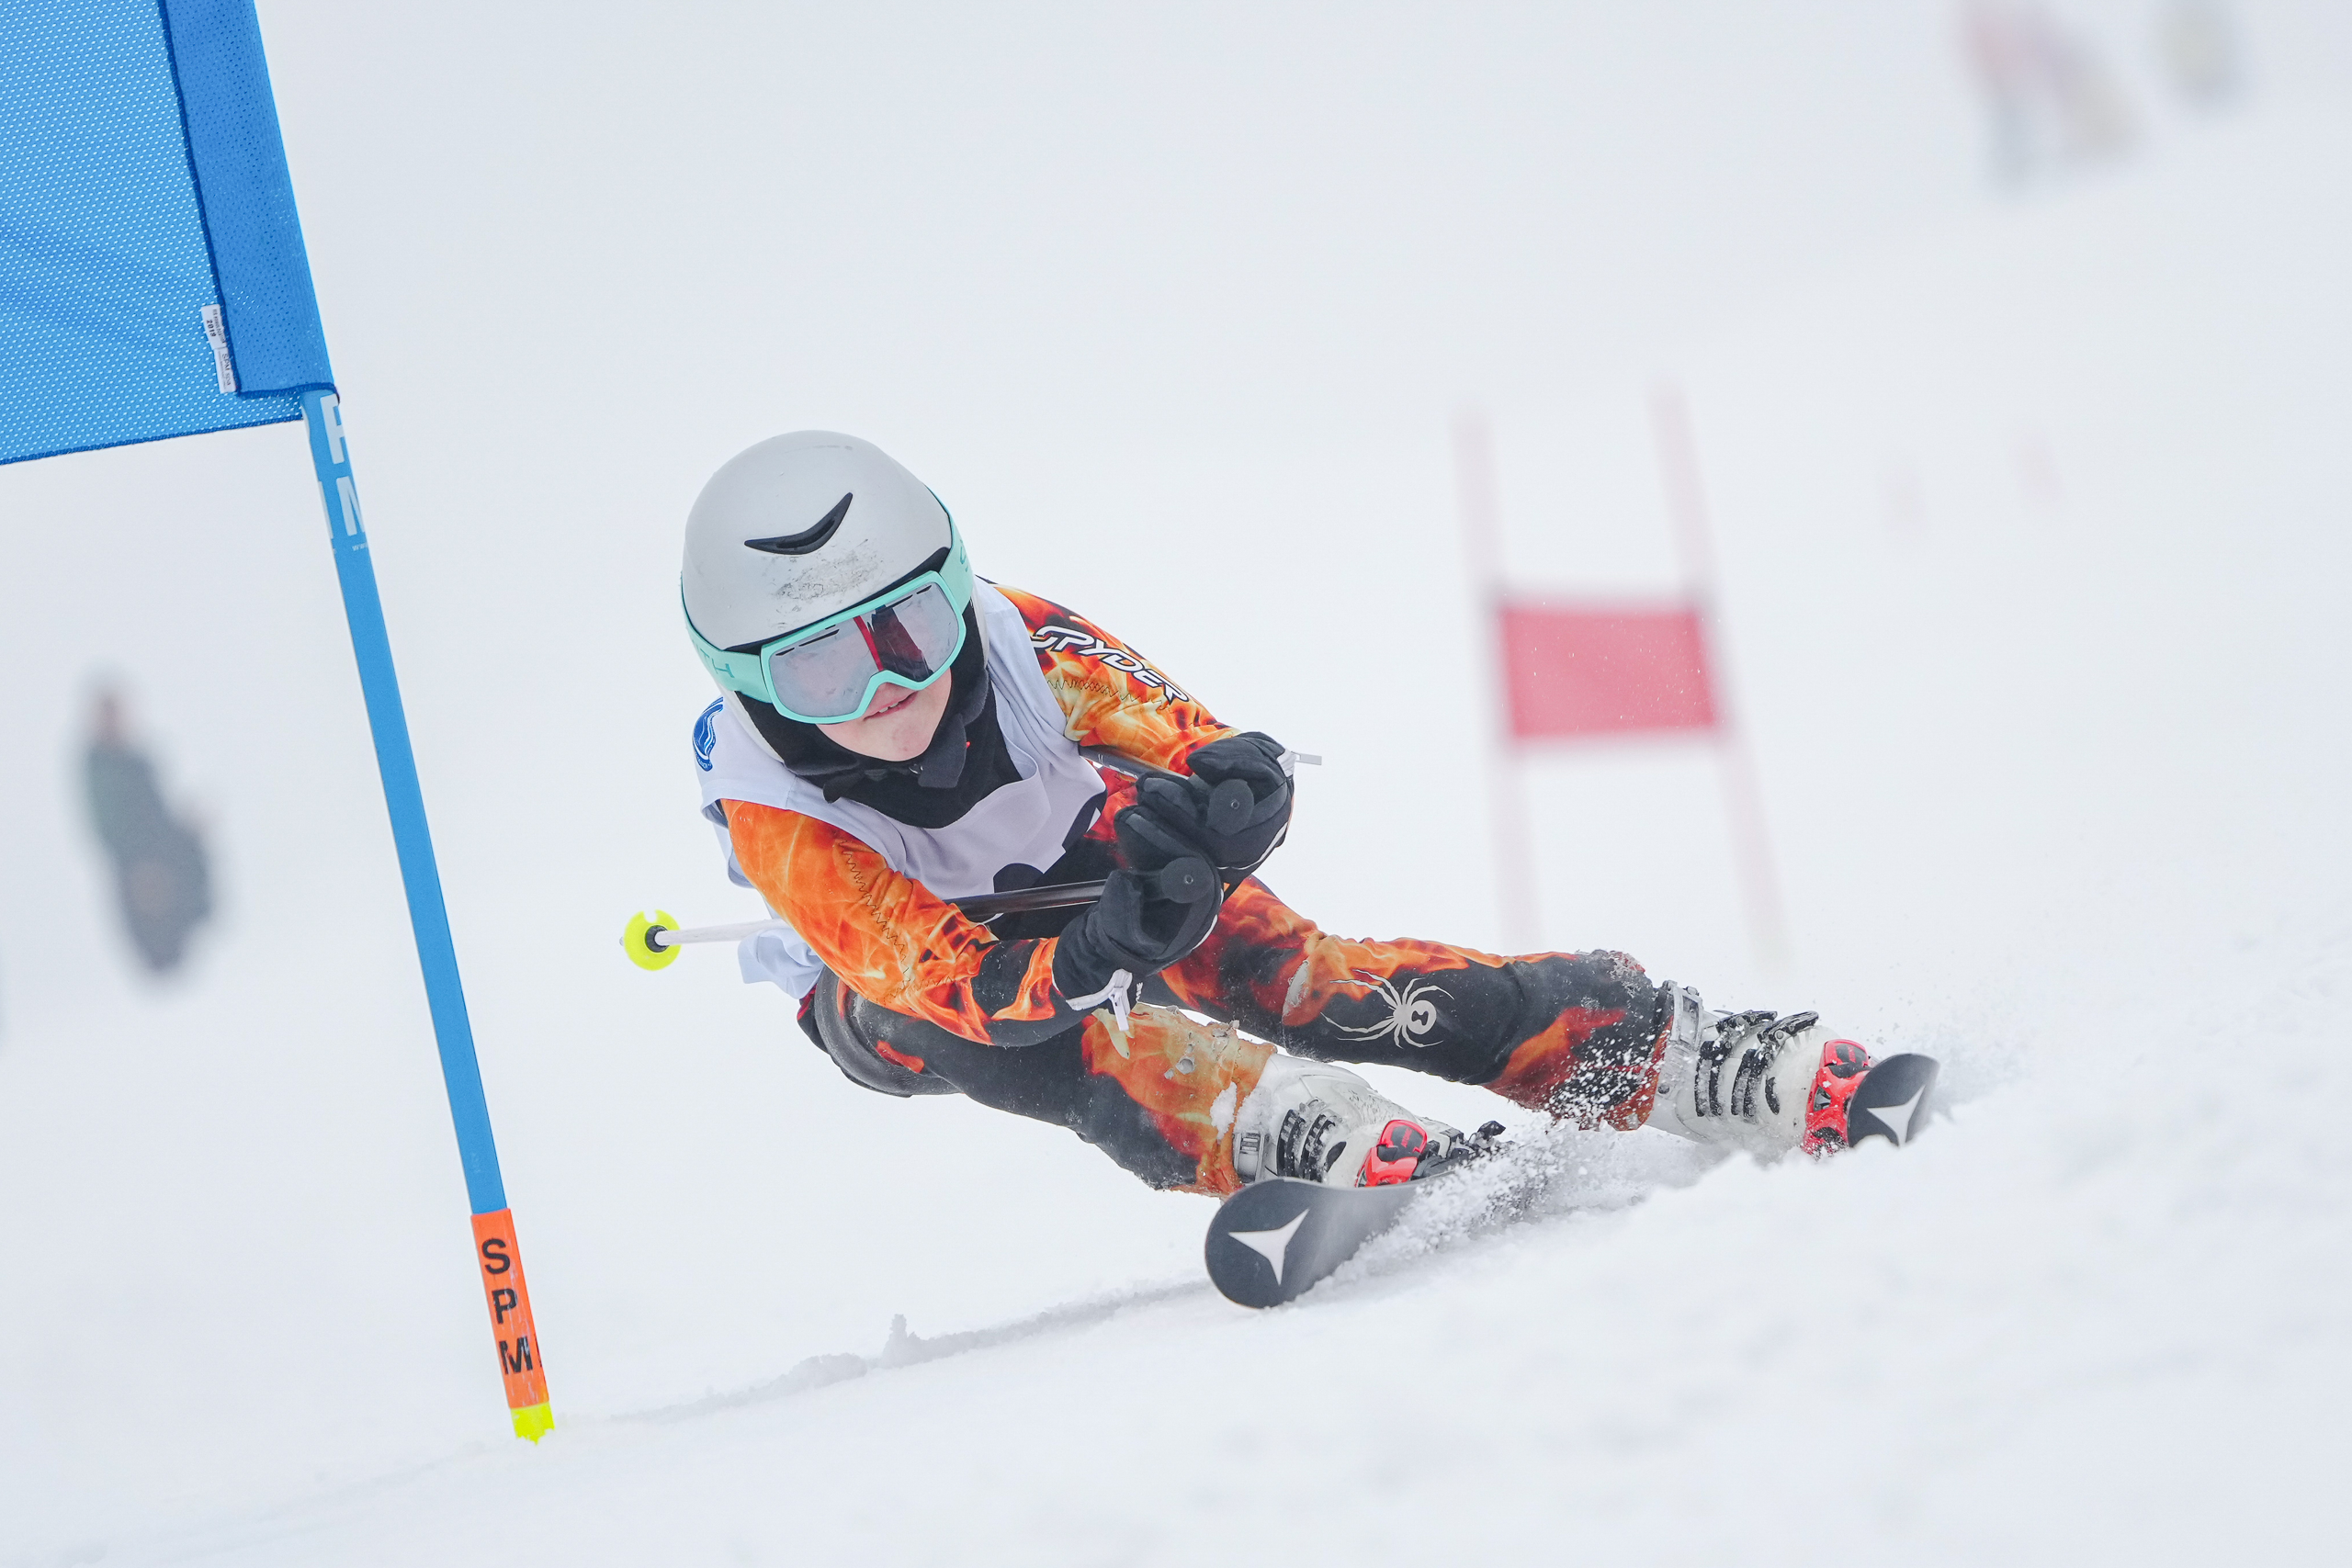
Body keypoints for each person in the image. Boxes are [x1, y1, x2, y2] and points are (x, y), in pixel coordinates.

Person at [681, 433, 1895, 1198]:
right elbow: (955, 985)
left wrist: (1233, 806)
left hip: (1083, 869)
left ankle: (1664, 1047)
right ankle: (1273, 1123)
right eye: (824, 672)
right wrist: (1099, 958)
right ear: (750, 685)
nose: (892, 687)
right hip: (894, 990)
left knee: (1313, 983)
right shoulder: (776, 814)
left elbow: (1193, 746)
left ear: (955, 595)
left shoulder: (1021, 637)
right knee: (1058, 1041)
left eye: (911, 629)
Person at [84, 688, 212, 975]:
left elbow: (159, 811)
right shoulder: (101, 768)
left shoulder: (138, 761)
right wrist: (139, 863)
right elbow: (109, 825)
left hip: (163, 852)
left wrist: (187, 830)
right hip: (139, 861)